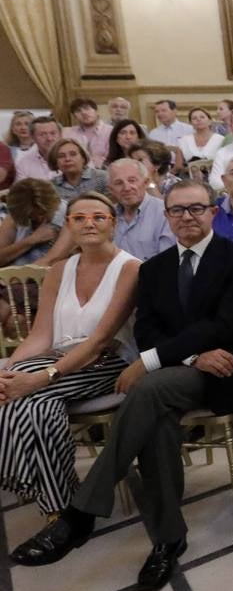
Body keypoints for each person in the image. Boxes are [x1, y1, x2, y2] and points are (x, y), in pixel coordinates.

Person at [9, 182, 233, 591]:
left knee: (146, 390)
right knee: (156, 419)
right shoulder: (155, 268)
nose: (187, 217)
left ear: (213, 213)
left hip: (231, 372)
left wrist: (150, 362)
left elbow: (226, 324)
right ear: (165, 216)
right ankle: (167, 540)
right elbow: (148, 330)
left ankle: (79, 513)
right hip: (180, 372)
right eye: (177, 211)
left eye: (197, 209)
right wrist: (187, 357)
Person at [0, 192, 139, 522]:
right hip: (56, 357)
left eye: (98, 217)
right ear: (69, 226)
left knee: (30, 394)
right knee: (36, 403)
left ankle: (36, 490)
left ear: (113, 224)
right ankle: (62, 504)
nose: (89, 223)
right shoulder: (59, 269)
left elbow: (100, 339)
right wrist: (11, 371)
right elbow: (40, 336)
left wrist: (40, 377)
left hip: (108, 361)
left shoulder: (131, 268)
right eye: (78, 218)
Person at [108, 158, 176, 260]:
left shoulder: (165, 213)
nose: (126, 188)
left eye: (132, 180)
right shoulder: (107, 216)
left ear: (146, 182)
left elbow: (166, 261)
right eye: (118, 183)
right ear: (111, 189)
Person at [0, 179, 74, 269]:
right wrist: (31, 240)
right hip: (11, 276)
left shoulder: (69, 215)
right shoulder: (16, 215)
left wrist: (17, 278)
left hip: (42, 277)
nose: (39, 218)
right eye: (31, 216)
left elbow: (50, 261)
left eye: (43, 213)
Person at [64, 98, 111, 168]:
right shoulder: (69, 133)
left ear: (96, 111)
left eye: (87, 109)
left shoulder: (110, 131)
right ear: (75, 117)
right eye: (78, 111)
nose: (84, 113)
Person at [16, 116, 63, 183]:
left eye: (53, 133)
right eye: (42, 134)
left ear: (60, 135)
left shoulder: (71, 158)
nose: (49, 138)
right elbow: (22, 191)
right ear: (32, 137)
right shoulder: (23, 163)